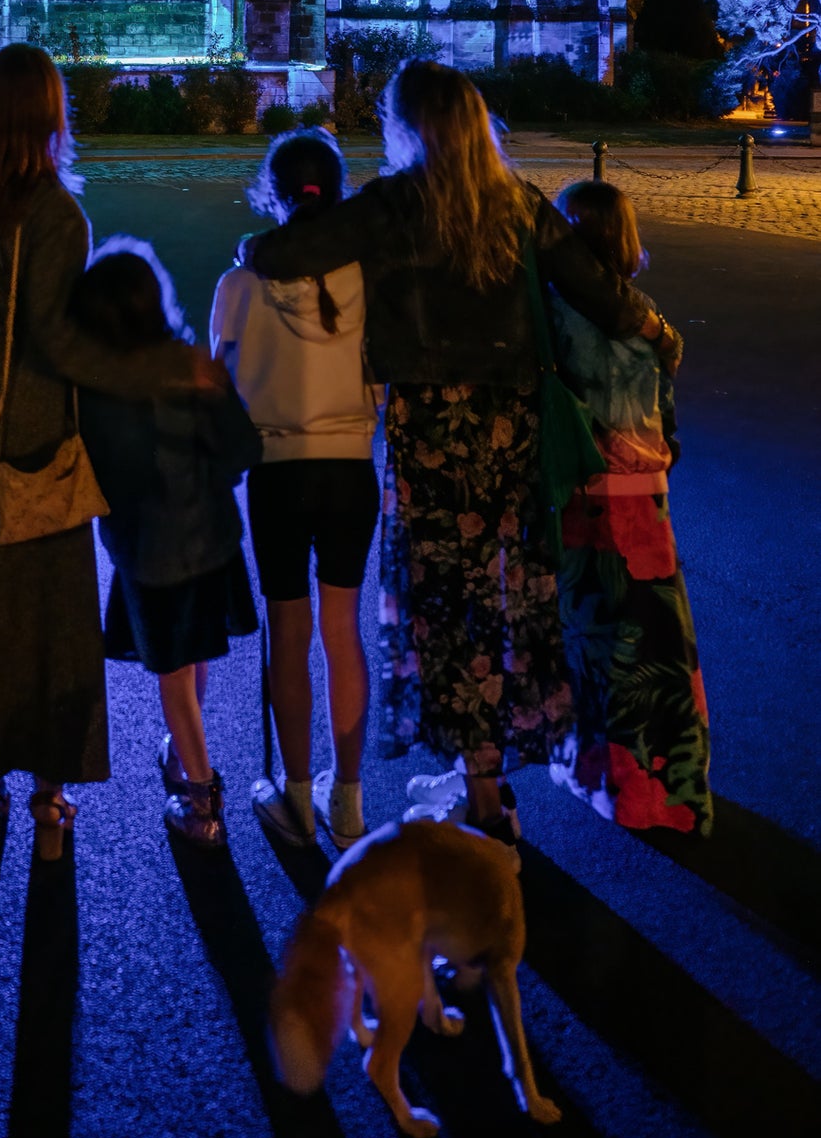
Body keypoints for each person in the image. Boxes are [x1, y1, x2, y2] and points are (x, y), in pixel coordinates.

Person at [245, 59, 669, 844]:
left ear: (410, 127)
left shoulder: (395, 204)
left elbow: (284, 253)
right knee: (507, 596)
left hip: (432, 430)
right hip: (508, 428)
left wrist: (255, 242)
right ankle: (485, 780)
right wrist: (655, 329)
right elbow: (593, 286)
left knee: (442, 604)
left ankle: (476, 792)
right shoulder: (516, 204)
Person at [0, 44, 215, 860]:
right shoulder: (54, 216)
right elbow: (52, 340)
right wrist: (153, 367)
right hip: (33, 440)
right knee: (43, 625)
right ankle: (46, 795)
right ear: (50, 115)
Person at [211, 129, 380, 851]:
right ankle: (349, 800)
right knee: (343, 633)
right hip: (350, 467)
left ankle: (296, 793)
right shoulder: (365, 277)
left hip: (277, 471)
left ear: (274, 193)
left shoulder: (241, 283)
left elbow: (217, 379)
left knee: (288, 633)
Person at [71, 239, 261, 847]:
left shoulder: (101, 389)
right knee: (195, 653)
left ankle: (200, 798)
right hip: (212, 539)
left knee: (174, 671)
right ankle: (185, 757)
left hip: (150, 552)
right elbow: (244, 451)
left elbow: (108, 476)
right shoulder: (194, 366)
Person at [547, 181, 710, 835]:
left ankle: (607, 780)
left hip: (587, 507)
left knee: (596, 648)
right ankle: (673, 788)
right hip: (648, 504)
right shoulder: (649, 321)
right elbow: (665, 426)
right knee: (657, 647)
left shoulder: (561, 315)